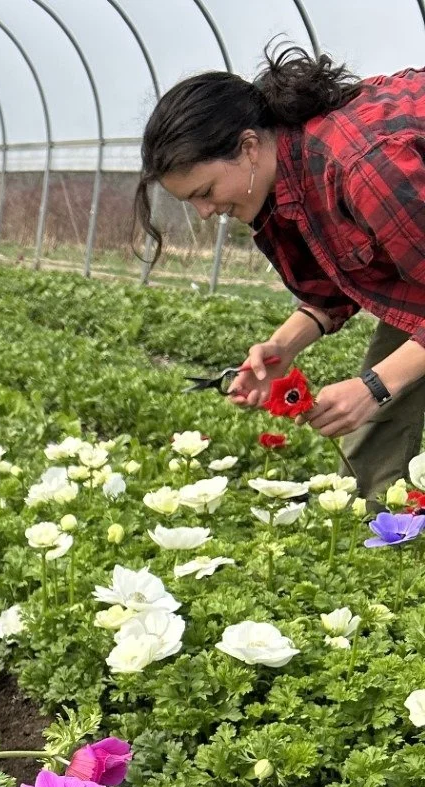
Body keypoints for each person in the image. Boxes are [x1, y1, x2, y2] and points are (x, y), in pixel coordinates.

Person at [136, 47, 425, 496]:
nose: (206, 212)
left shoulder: (363, 168)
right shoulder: (284, 183)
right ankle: (379, 528)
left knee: (389, 381)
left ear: (249, 146)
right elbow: (336, 282)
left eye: (206, 192)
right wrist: (282, 346)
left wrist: (374, 387)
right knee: (386, 398)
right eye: (191, 202)